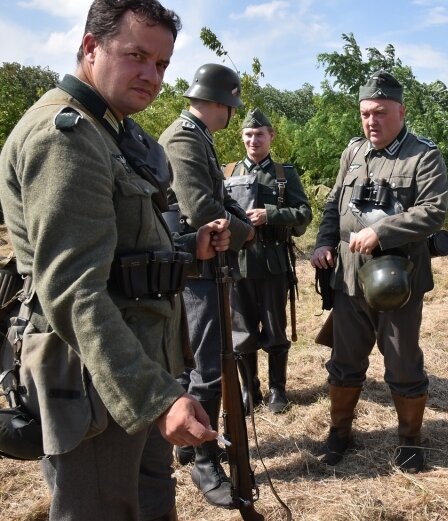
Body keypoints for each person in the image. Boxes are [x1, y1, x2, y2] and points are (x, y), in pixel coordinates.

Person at [0, 1, 233, 520]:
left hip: (137, 366)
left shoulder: (113, 132)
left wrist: (186, 252)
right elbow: (72, 291)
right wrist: (155, 398)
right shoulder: (66, 138)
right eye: (136, 56)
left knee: (148, 502)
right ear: (90, 48)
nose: (151, 75)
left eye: (162, 64)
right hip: (96, 383)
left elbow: (126, 252)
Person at [310, 70, 448, 472]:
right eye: (366, 113)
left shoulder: (423, 155)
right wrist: (322, 244)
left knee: (403, 361)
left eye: (381, 113)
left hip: (398, 281)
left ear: (401, 112)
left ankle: (410, 439)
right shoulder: (352, 153)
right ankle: (340, 432)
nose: (372, 121)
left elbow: (434, 212)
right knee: (345, 359)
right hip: (350, 279)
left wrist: (381, 231)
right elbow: (333, 205)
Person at [159, 63, 254, 508]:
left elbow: (221, 201)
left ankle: (188, 443)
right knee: (208, 366)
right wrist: (245, 230)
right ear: (221, 103)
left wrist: (234, 221)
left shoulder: (199, 137)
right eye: (231, 106)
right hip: (196, 272)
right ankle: (203, 456)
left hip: (206, 267)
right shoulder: (183, 137)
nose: (231, 114)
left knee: (202, 362)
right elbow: (201, 209)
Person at [224, 108, 312, 415]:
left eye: (259, 134)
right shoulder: (228, 173)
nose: (253, 140)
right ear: (242, 137)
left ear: (270, 136)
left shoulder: (283, 174)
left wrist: (270, 214)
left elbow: (304, 214)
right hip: (237, 265)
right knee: (241, 331)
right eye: (248, 134)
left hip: (274, 263)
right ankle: (251, 389)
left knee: (275, 329)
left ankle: (278, 389)